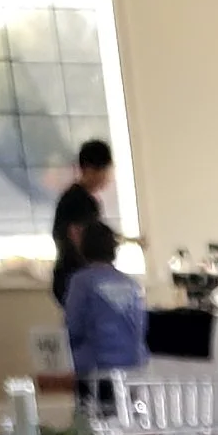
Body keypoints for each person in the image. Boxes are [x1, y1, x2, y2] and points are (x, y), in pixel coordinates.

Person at [62, 216, 147, 409]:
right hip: (132, 369)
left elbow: (72, 327)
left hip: (94, 372)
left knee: (91, 426)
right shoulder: (132, 285)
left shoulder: (82, 282)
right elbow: (141, 329)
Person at [52, 138, 116, 306]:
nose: (108, 177)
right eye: (105, 171)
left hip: (71, 277)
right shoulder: (80, 201)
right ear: (89, 170)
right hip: (75, 277)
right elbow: (80, 238)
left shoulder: (74, 198)